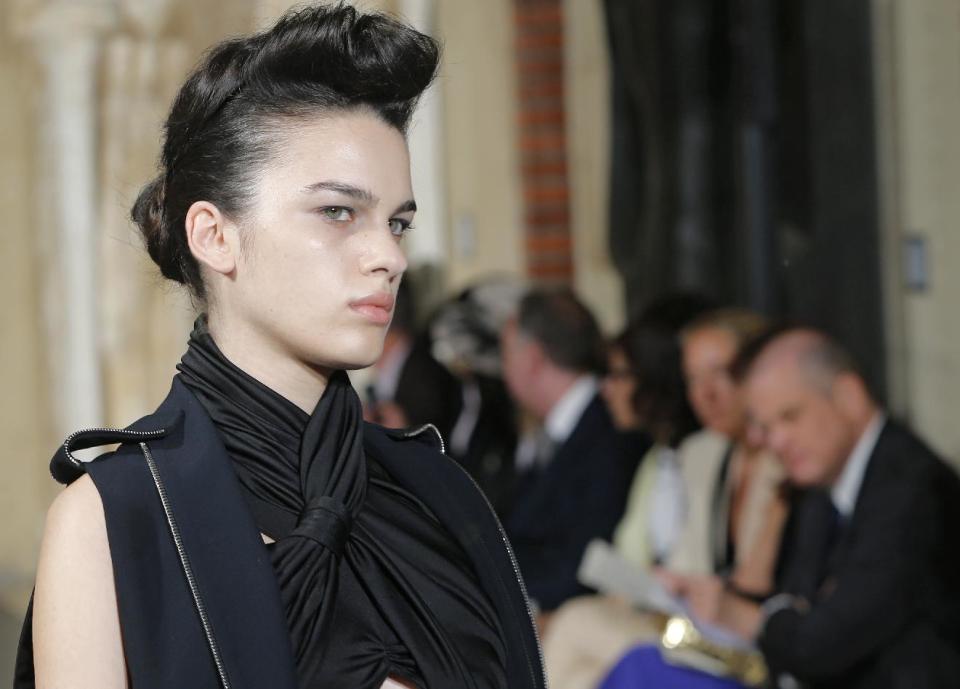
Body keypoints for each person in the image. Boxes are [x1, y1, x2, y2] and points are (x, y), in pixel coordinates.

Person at [15, 6, 545, 689]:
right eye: (337, 211)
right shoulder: (112, 520)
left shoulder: (439, 494)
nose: (389, 255)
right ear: (214, 235)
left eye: (398, 222)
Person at [680, 326, 960, 689]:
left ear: (848, 396)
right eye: (766, 427)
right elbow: (799, 607)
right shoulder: (823, 486)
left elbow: (820, 644)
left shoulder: (910, 488)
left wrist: (756, 619)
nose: (776, 441)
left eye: (790, 417)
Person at [542, 308, 786, 689]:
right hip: (690, 625)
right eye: (693, 379)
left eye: (721, 373)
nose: (707, 394)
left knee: (579, 629)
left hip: (744, 648)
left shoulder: (788, 458)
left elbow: (758, 583)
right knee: (580, 653)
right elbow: (688, 563)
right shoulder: (705, 453)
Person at [500, 288, 631, 616]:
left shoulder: (608, 433)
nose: (503, 370)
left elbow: (584, 560)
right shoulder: (555, 431)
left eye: (505, 355)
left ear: (531, 357)